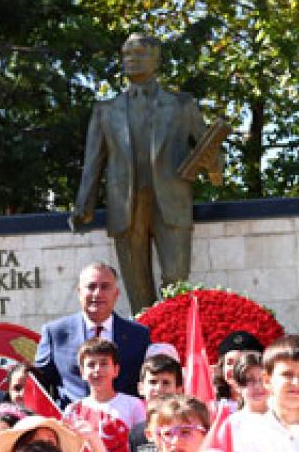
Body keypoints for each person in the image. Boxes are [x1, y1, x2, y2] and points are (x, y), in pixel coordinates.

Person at [68, 33, 217, 313]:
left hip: (171, 201)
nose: (131, 60)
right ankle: (146, 347)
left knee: (176, 279)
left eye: (138, 54)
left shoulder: (182, 104)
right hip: (126, 205)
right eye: (126, 55)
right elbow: (93, 162)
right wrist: (83, 204)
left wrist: (211, 165)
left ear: (156, 59)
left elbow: (209, 149)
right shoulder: (106, 110)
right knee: (138, 289)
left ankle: (176, 340)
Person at [34, 263, 151, 404]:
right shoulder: (55, 333)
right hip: (71, 421)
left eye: (105, 287)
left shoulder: (138, 335)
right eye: (91, 287)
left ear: (116, 294)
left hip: (125, 422)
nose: (97, 293)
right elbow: (38, 385)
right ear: (79, 292)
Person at [129, 354, 184, 452]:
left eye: (166, 383)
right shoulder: (136, 433)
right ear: (141, 388)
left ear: (179, 390)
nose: (159, 388)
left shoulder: (186, 429)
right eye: (153, 382)